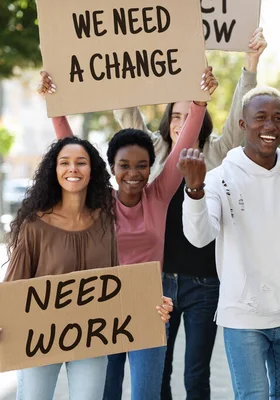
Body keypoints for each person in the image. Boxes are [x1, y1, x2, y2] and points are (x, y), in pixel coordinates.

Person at [38, 67, 217, 400]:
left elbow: (185, 143)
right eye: (125, 166)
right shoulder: (99, 202)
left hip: (150, 302)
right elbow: (69, 146)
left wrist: (199, 102)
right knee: (108, 390)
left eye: (141, 165)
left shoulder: (159, 195)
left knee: (146, 394)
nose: (134, 174)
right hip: (104, 300)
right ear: (112, 168)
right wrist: (54, 104)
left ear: (152, 167)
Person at [113, 29, 267, 400]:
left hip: (205, 282)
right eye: (176, 115)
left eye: (189, 113)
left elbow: (237, 114)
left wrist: (250, 63)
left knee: (196, 374)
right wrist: (116, 61)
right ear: (167, 121)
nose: (182, 121)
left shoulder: (219, 151)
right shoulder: (152, 151)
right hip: (159, 279)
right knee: (158, 368)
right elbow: (125, 110)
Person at [178, 87, 280, 399]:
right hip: (243, 317)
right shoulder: (218, 178)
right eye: (261, 118)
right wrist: (195, 191)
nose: (271, 126)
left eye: (278, 119)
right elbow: (200, 237)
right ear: (243, 124)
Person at [2, 136, 171, 400]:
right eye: (64, 162)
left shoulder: (105, 222)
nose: (73, 169)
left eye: (81, 162)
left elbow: (114, 283)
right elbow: (14, 284)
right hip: (41, 337)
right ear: (54, 170)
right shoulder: (35, 226)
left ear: (92, 171)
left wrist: (151, 305)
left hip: (92, 338)